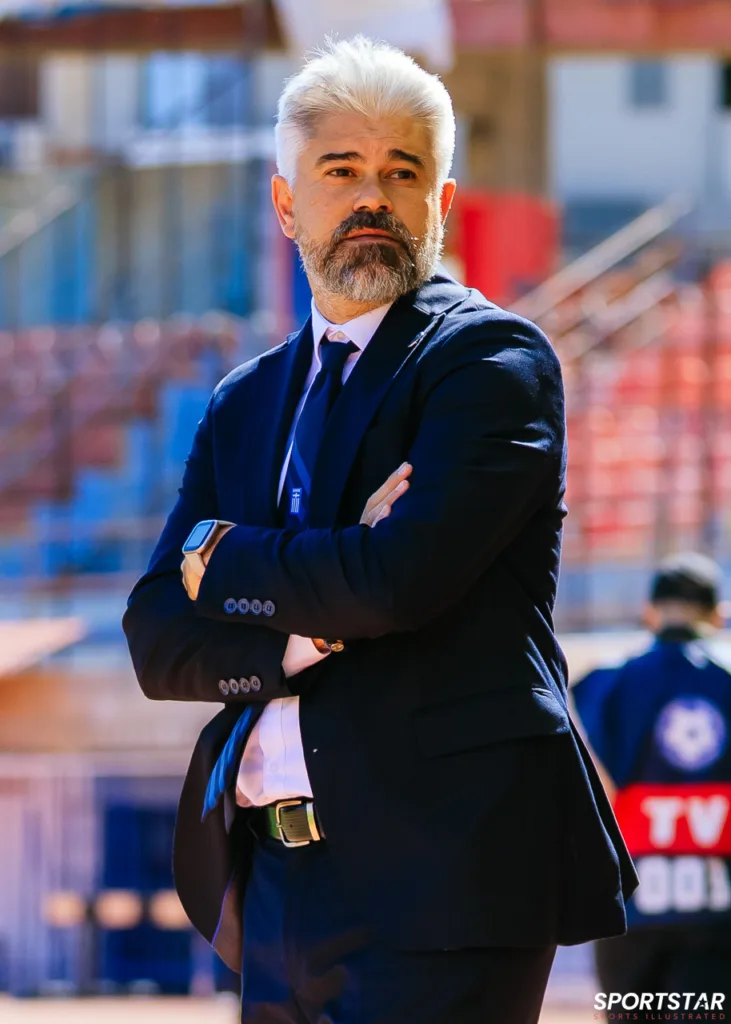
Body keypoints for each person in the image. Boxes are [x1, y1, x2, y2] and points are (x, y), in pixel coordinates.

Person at [123, 36, 637, 1024]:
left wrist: (223, 559)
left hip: (444, 878)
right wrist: (313, 624)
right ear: (285, 204)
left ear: (440, 204)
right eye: (340, 171)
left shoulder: (488, 361)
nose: (373, 198)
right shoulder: (244, 401)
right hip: (274, 884)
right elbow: (155, 637)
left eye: (402, 173)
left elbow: (399, 580)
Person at [573, 552, 731, 1011]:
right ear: (717, 616)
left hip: (628, 912)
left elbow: (588, 788)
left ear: (649, 612)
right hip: (717, 916)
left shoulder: (603, 685)